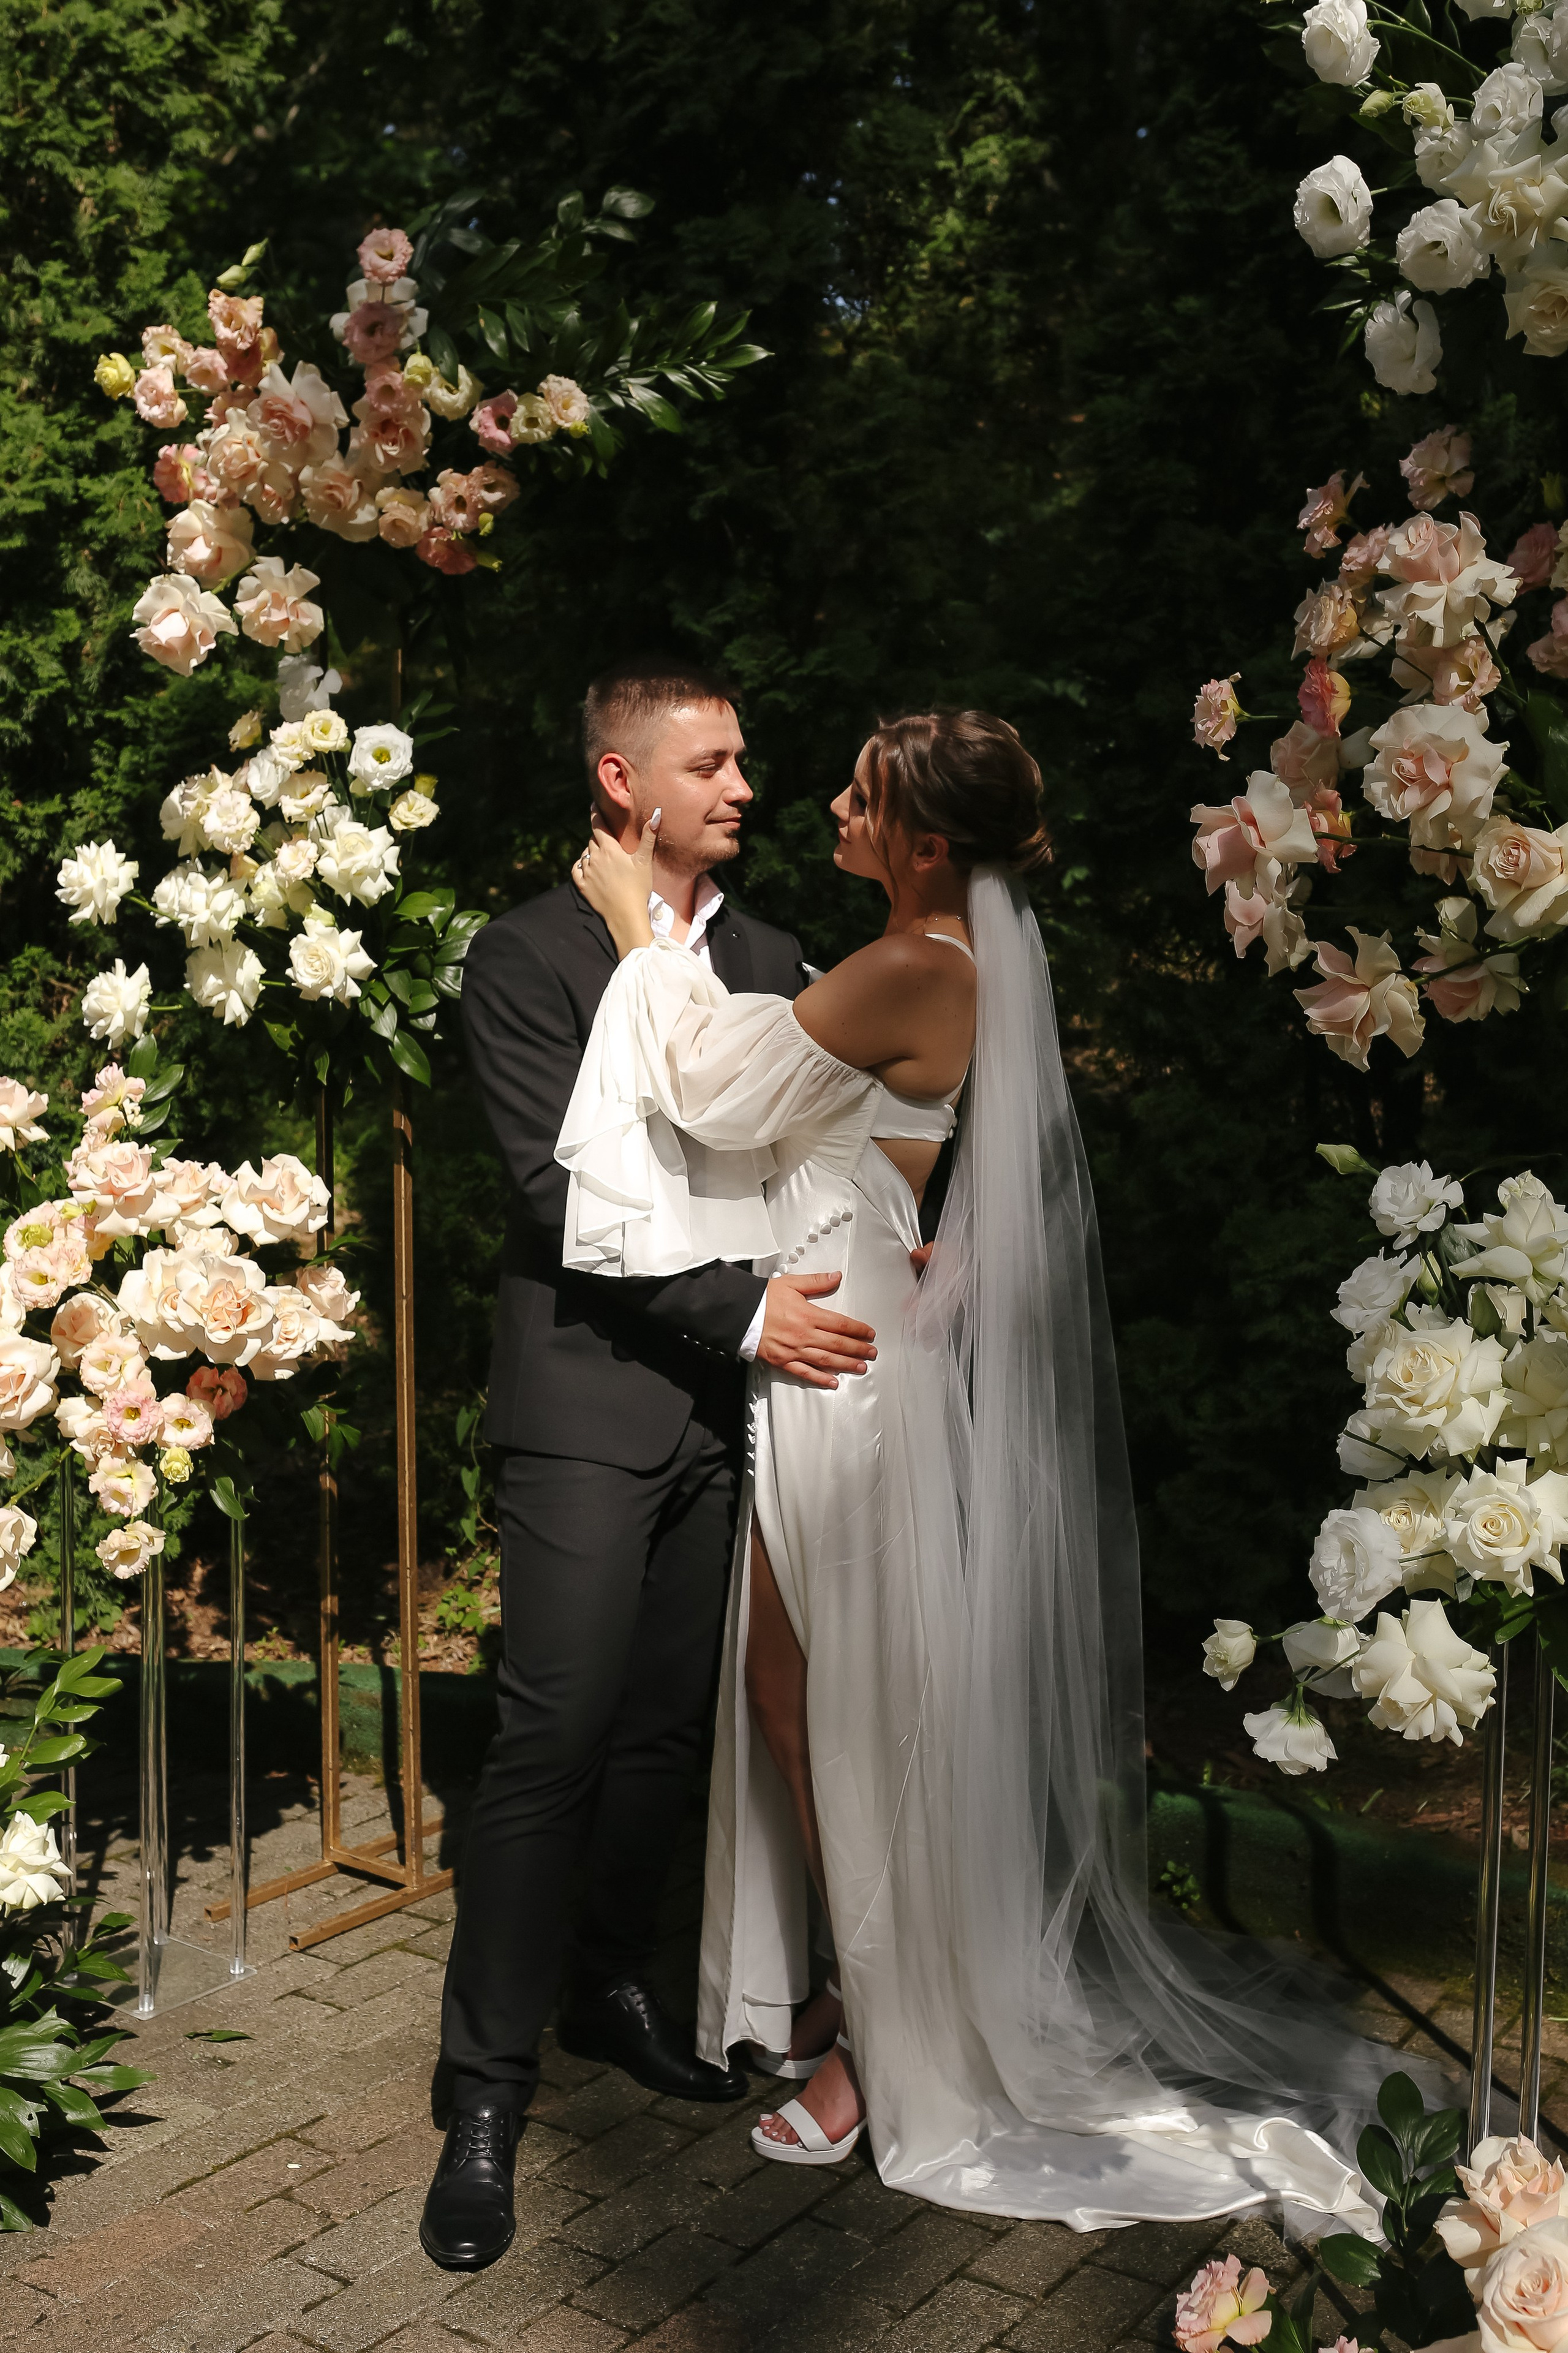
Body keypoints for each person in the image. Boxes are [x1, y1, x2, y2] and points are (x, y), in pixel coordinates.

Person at [559, 708, 1392, 2230]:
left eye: (861, 798)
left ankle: (891, 2047)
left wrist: (641, 931)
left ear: (925, 842)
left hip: (845, 1372)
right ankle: (850, 1992)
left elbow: (710, 1085)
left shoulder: (917, 964)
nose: (827, 803)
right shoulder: (953, 962)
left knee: (844, 1718)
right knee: (798, 1697)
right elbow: (898, 1150)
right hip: (853, 1329)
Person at [420, 658, 881, 2275]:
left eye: (748, 758)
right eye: (715, 762)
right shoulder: (526, 955)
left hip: (733, 1421)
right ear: (624, 781)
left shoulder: (765, 955)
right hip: (585, 1409)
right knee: (548, 1738)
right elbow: (562, 1197)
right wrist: (753, 1309)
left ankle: (614, 1985)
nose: (746, 785)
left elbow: (820, 1156)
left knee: (668, 1736)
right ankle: (482, 2093)